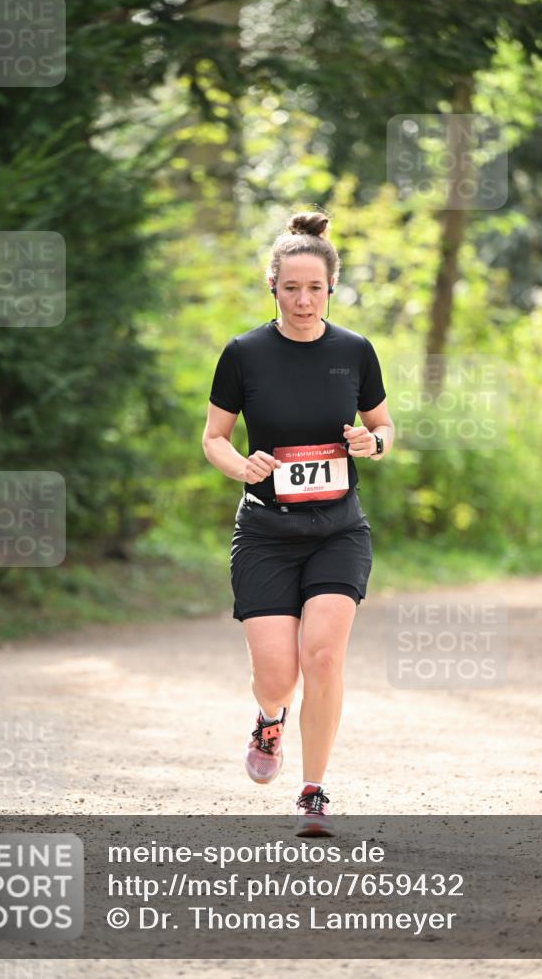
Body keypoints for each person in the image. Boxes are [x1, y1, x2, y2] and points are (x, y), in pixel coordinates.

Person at [201, 210, 394, 837]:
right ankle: (268, 717)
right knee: (277, 676)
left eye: (314, 287)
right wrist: (242, 466)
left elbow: (384, 425)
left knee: (324, 657)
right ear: (274, 288)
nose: (303, 299)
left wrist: (374, 443)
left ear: (331, 287)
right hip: (266, 531)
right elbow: (214, 439)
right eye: (291, 287)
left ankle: (313, 790)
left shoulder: (355, 351)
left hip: (339, 528)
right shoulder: (243, 354)